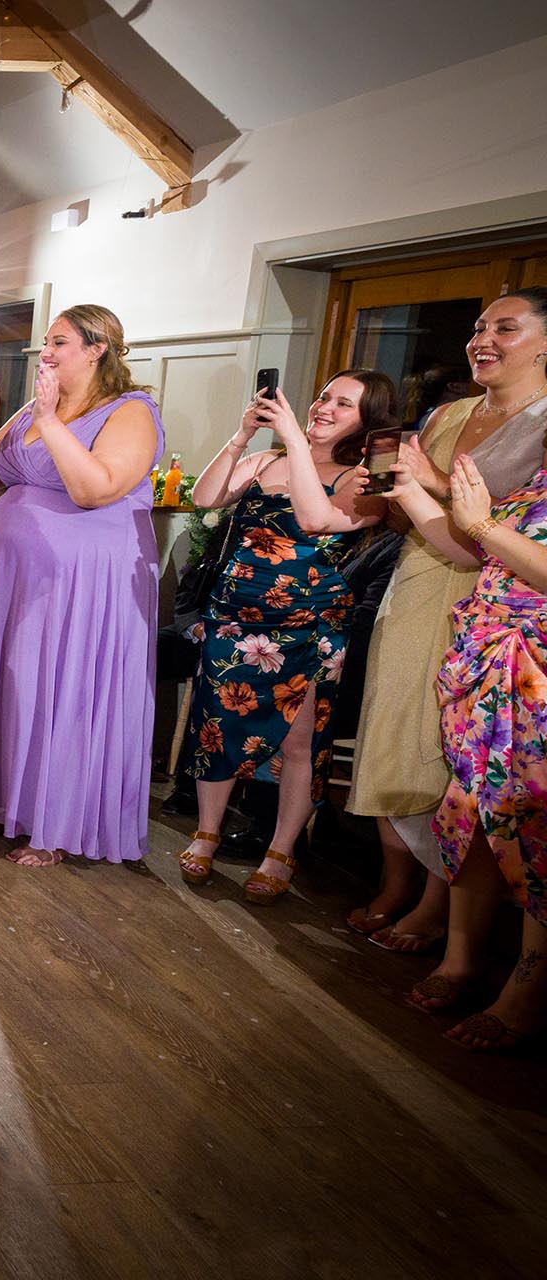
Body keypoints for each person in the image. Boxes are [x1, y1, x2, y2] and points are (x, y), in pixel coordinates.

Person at [346, 288, 547, 950]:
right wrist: (377, 488)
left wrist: (425, 478)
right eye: (478, 327)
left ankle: (437, 904)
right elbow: (401, 510)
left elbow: (498, 528)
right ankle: (398, 880)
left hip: (491, 593)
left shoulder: (543, 422)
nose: (482, 338)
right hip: (419, 578)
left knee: (454, 751)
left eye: (505, 328)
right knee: (393, 732)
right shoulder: (449, 411)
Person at [0, 305, 165, 866]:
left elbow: (95, 489)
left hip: (84, 581)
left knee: (59, 687)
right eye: (46, 341)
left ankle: (55, 825)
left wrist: (51, 419)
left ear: (96, 348)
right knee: (15, 682)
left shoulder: (130, 411)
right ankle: (9, 805)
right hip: (15, 577)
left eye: (59, 341)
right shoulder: (34, 410)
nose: (46, 350)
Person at [174, 371, 392, 902]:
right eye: (323, 397)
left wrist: (295, 439)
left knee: (298, 741)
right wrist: (242, 436)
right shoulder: (264, 462)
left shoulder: (363, 479)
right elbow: (205, 498)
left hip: (309, 627)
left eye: (344, 404)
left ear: (367, 422)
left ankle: (281, 848)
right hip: (234, 618)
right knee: (216, 727)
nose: (323, 408)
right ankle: (206, 832)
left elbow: (315, 519)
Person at [392, 449, 547, 1051]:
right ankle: (462, 960)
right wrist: (409, 489)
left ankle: (528, 989)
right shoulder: (538, 481)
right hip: (485, 668)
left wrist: (484, 523)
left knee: (532, 822)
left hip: (534, 670)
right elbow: (481, 554)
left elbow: (493, 540)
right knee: (473, 810)